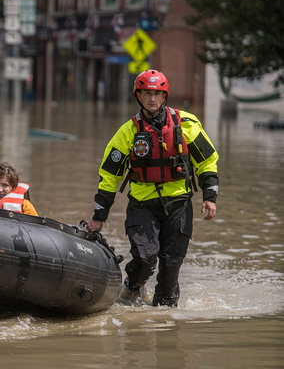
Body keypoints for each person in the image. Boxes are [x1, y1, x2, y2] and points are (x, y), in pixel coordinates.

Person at [86, 70, 219, 307]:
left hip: (178, 204)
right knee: (145, 260)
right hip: (142, 205)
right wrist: (99, 217)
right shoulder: (128, 131)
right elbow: (109, 176)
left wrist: (210, 197)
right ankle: (132, 287)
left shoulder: (186, 125)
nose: (152, 99)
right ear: (138, 96)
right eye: (147, 93)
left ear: (164, 96)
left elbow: (207, 161)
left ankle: (165, 315)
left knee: (171, 265)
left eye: (157, 94)